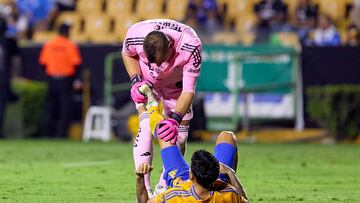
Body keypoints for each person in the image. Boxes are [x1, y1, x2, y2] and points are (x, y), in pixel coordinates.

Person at [122, 19, 202, 194]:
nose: (156, 67)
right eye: (152, 62)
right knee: (145, 125)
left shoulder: (190, 45)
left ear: (170, 46)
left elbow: (188, 91)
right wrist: (135, 80)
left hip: (176, 88)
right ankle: (145, 189)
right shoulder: (135, 34)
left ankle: (164, 187)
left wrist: (175, 119)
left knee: (178, 138)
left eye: (160, 61)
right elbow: (127, 54)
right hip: (146, 84)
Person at [135, 84, 248, 203]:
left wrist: (139, 178)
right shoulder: (227, 194)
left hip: (181, 178)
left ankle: (151, 107)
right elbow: (245, 200)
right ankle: (150, 107)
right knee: (227, 136)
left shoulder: (175, 196)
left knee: (164, 133)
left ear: (191, 175)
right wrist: (230, 173)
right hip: (217, 182)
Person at [39, 23, 82, 138]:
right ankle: (61, 135)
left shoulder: (49, 45)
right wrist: (76, 80)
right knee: (65, 109)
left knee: (50, 108)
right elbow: (76, 65)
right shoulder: (70, 45)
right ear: (67, 32)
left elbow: (43, 64)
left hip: (52, 79)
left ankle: (46, 134)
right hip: (65, 80)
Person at [0, 16, 19, 139]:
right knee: (1, 106)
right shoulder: (9, 40)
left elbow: (16, 59)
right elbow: (17, 60)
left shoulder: (9, 41)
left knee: (2, 106)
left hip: (3, 79)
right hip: (3, 79)